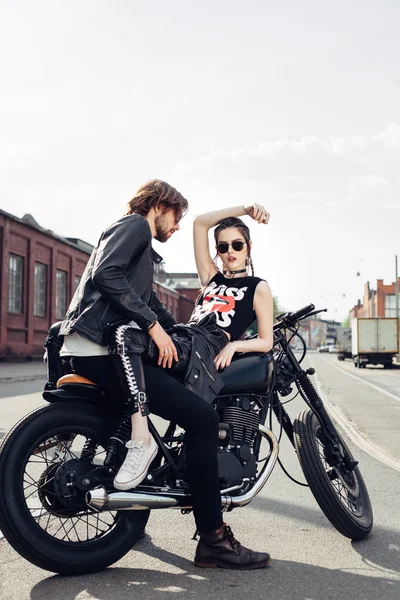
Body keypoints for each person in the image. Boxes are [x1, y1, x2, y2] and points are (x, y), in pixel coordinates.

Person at [59, 184, 274, 569]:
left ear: (248, 248)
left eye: (235, 245)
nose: (226, 252)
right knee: (196, 414)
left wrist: (231, 345)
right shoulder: (202, 272)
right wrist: (244, 207)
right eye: (221, 246)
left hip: (201, 344)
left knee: (144, 359)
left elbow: (264, 340)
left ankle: (154, 498)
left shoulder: (257, 287)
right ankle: (213, 539)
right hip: (185, 341)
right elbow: (201, 225)